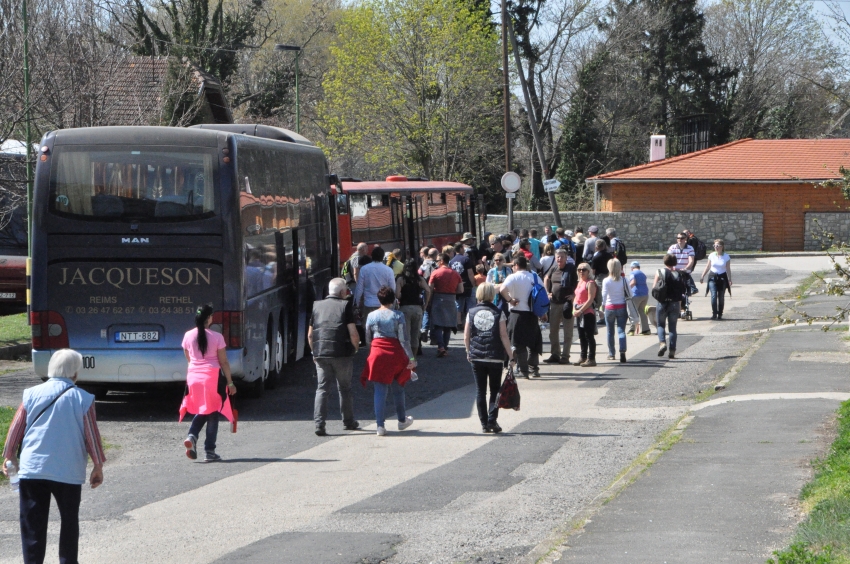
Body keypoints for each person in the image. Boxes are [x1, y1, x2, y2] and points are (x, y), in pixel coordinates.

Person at [2, 349, 106, 564]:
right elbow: (91, 435)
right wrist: (98, 465)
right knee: (69, 522)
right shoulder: (83, 398)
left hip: (33, 468)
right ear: (75, 374)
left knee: (32, 524)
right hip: (68, 471)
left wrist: (9, 455)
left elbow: (16, 428)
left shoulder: (31, 394)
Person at [180, 304, 236, 462]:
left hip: (193, 377)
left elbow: (188, 356)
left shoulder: (188, 335)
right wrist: (230, 383)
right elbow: (224, 362)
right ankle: (209, 450)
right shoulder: (217, 337)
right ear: (209, 318)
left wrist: (196, 368)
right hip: (212, 377)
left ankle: (192, 437)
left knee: (205, 409)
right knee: (212, 413)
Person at [361, 286, 416, 436]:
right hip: (395, 354)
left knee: (379, 390)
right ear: (393, 300)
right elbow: (404, 340)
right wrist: (411, 358)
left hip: (377, 352)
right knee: (398, 388)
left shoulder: (371, 316)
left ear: (379, 299)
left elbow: (367, 338)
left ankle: (380, 426)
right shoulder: (398, 315)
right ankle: (402, 420)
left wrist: (371, 352)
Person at [309, 278, 361, 436]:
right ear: (342, 292)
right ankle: (348, 421)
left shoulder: (316, 306)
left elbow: (310, 335)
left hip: (321, 353)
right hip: (342, 354)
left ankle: (319, 424)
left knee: (322, 389)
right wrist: (356, 348)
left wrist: (314, 352)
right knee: (344, 388)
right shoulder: (345, 306)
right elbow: (353, 333)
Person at [464, 283, 513, 433]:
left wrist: (468, 351)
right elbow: (504, 335)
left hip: (477, 355)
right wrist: (510, 355)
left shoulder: (471, 312)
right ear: (492, 294)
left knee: (480, 391)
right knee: (494, 390)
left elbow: (466, 335)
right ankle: (492, 420)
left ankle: (484, 423)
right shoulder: (498, 312)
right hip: (495, 356)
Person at [499, 255, 543, 379]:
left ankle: (524, 371)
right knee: (533, 343)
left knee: (519, 344)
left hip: (516, 313)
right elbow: (542, 293)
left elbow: (502, 289)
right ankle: (534, 369)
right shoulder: (534, 276)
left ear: (516, 265)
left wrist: (510, 300)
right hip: (532, 313)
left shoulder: (512, 277)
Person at [544, 248, 577, 364]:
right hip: (554, 303)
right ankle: (555, 354)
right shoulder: (554, 268)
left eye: (562, 257)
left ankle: (565, 356)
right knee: (553, 331)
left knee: (568, 332)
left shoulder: (572, 269)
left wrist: (574, 295)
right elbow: (546, 278)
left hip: (566, 304)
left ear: (566, 258)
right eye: (558, 257)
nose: (559, 259)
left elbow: (579, 283)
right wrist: (547, 291)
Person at [429, 252, 463, 357]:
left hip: (438, 299)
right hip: (451, 299)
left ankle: (441, 347)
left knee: (438, 325)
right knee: (448, 325)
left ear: (442, 261)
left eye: (438, 260)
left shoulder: (435, 273)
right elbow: (461, 290)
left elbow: (430, 289)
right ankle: (445, 347)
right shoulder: (456, 274)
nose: (437, 262)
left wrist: (428, 301)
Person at [654, 254, 687, 359]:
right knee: (672, 328)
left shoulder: (660, 271)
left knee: (660, 325)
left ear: (665, 262)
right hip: (674, 303)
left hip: (662, 302)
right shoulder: (678, 274)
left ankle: (662, 343)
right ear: (675, 262)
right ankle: (672, 350)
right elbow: (683, 290)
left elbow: (654, 287)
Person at [396, 258, 431, 355]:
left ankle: (407, 358)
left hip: (404, 308)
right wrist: (426, 304)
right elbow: (428, 290)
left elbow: (397, 295)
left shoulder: (401, 279)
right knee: (415, 335)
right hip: (417, 308)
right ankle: (413, 358)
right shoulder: (420, 279)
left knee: (406, 335)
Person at [355, 246, 396, 322]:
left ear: (372, 256)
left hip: (369, 304)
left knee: (369, 330)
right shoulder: (389, 270)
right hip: (384, 304)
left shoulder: (364, 269)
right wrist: (392, 304)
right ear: (382, 257)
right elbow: (392, 288)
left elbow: (359, 288)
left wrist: (356, 304)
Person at [601, 258, 628, 363]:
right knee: (621, 330)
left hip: (609, 307)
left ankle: (611, 353)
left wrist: (602, 306)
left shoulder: (606, 280)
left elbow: (604, 294)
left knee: (609, 331)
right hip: (621, 306)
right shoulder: (624, 280)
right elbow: (629, 293)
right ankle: (622, 351)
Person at [700, 239, 732, 320]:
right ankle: (714, 313)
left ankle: (720, 313)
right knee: (713, 295)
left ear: (722, 246)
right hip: (712, 276)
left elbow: (728, 269)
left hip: (722, 277)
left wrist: (729, 279)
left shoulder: (726, 256)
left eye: (717, 245)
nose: (716, 247)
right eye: (714, 245)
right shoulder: (711, 255)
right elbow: (708, 266)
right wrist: (702, 275)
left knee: (721, 296)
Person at [573, 263, 598, 367]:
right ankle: (583, 356)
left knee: (589, 336)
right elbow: (576, 297)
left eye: (584, 270)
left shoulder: (590, 283)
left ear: (589, 271)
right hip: (579, 313)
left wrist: (581, 311)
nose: (581, 272)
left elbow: (590, 299)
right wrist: (574, 309)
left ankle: (591, 358)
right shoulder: (580, 282)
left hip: (588, 313)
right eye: (579, 270)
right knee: (581, 336)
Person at [450, 241, 477, 328]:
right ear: (461, 248)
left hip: (457, 285)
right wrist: (473, 284)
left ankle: (458, 323)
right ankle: (469, 323)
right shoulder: (466, 259)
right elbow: (470, 273)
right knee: (471, 304)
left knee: (458, 304)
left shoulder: (451, 261)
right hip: (467, 285)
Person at [418, 248, 439, 342]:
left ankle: (424, 330)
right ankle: (433, 337)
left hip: (425, 289)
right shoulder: (436, 265)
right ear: (435, 255)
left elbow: (419, 275)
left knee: (426, 311)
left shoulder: (423, 265)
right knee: (434, 312)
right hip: (435, 290)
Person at [590, 239, 612, 322]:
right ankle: (607, 314)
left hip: (599, 278)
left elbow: (593, 270)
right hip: (609, 276)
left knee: (600, 297)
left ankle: (602, 317)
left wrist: (592, 278)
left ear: (596, 247)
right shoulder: (609, 255)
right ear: (604, 246)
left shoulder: (596, 257)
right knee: (608, 295)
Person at [627, 261, 651, 335]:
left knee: (632, 312)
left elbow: (633, 282)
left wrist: (627, 289)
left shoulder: (633, 273)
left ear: (632, 268)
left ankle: (632, 330)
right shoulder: (642, 273)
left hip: (636, 294)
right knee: (642, 312)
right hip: (645, 294)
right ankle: (646, 330)